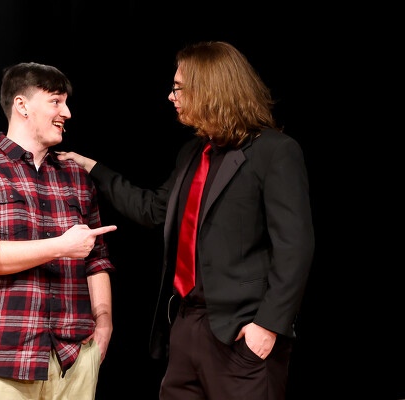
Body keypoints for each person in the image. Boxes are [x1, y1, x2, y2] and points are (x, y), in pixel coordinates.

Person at [57, 41, 315, 400]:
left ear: (208, 88)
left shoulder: (274, 151)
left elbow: (295, 247)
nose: (171, 96)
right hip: (186, 325)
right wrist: (93, 169)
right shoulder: (194, 152)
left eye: (178, 88)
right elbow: (154, 210)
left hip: (241, 332)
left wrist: (268, 325)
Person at [0, 62, 117, 400]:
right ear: (22, 105)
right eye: (56, 101)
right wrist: (61, 246)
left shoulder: (75, 176)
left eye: (66, 102)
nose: (67, 112)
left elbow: (96, 260)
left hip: (73, 361)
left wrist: (104, 320)